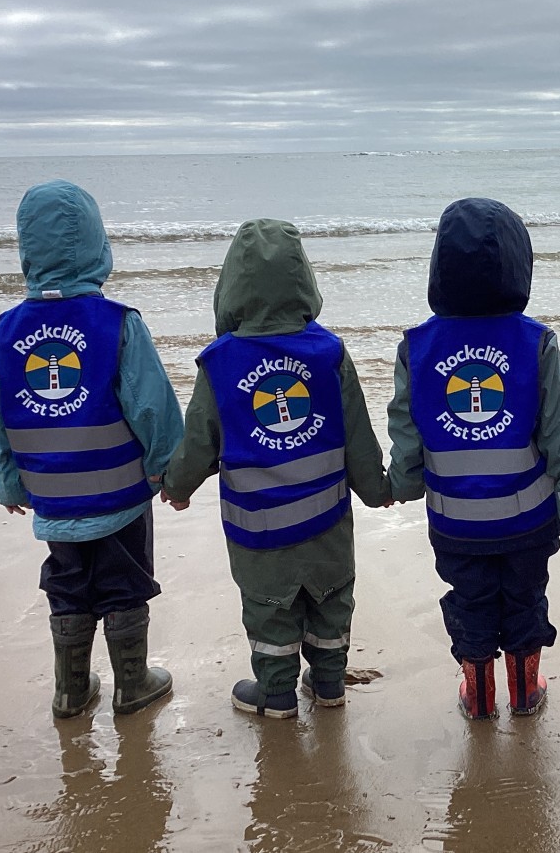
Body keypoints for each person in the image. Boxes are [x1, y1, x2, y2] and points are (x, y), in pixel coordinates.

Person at [159, 219, 392, 719]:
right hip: (327, 522)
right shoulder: (329, 353)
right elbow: (357, 432)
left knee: (269, 610)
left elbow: (200, 436)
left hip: (257, 527)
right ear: (304, 280)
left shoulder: (220, 362)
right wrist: (376, 490)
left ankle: (277, 694)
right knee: (331, 602)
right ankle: (329, 685)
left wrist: (177, 485)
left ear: (230, 289)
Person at [387, 197, 560, 720]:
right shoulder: (535, 342)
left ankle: (479, 695)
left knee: (471, 601)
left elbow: (406, 428)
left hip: (456, 520)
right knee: (525, 598)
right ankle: (526, 692)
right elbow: (558, 431)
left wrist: (403, 482)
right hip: (530, 519)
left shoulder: (417, 347)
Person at [0, 179, 182, 719]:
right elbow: (153, 408)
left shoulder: (5, 332)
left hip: (51, 498)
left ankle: (70, 691)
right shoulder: (117, 324)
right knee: (124, 582)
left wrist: (7, 482)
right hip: (119, 494)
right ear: (99, 245)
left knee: (67, 584)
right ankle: (132, 683)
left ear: (26, 248)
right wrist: (170, 471)